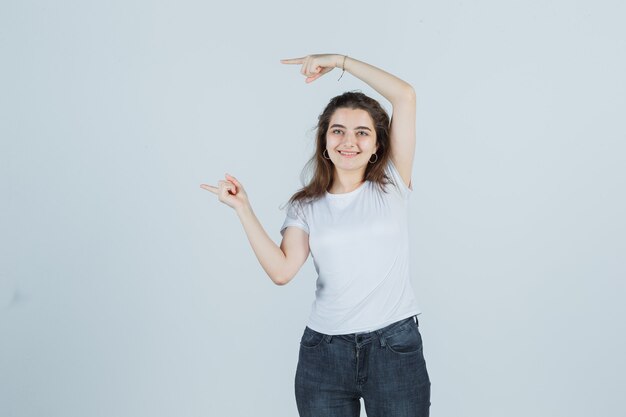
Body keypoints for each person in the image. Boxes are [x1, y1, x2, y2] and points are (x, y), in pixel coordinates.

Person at [201, 53, 431, 417]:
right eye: (338, 130)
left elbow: (405, 95)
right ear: (324, 140)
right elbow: (282, 271)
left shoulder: (393, 185)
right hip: (324, 355)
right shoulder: (306, 206)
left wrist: (340, 61)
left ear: (376, 146)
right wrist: (243, 209)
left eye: (362, 132)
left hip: (394, 350)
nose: (349, 141)